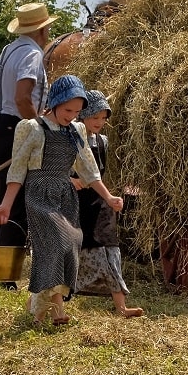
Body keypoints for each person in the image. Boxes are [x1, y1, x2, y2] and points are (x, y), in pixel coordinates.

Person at [0, 76, 125, 327]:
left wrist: (108, 196)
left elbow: (89, 169)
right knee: (58, 243)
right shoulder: (31, 128)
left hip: (65, 194)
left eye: (77, 111)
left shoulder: (77, 130)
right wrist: (6, 204)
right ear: (54, 103)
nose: (72, 116)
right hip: (40, 192)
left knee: (71, 244)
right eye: (67, 110)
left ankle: (38, 307)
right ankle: (54, 311)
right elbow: (18, 170)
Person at [0, 2, 57, 284]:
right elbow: (23, 97)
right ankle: (5, 278)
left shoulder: (8, 49)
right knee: (15, 201)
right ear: (43, 30)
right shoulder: (33, 55)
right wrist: (37, 127)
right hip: (12, 128)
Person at [73, 90, 144, 317]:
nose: (100, 122)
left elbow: (102, 176)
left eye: (103, 118)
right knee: (74, 252)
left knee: (111, 249)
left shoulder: (103, 142)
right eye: (95, 117)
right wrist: (71, 180)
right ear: (82, 116)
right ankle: (52, 301)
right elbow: (55, 168)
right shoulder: (70, 138)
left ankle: (121, 307)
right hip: (76, 204)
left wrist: (111, 197)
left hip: (100, 202)